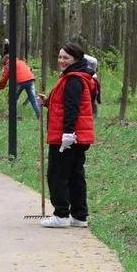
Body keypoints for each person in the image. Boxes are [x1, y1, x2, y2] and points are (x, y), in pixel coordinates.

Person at [39, 42, 96, 228]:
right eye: (60, 57)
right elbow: (64, 104)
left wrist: (68, 134)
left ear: (76, 60)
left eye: (66, 58)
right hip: (78, 135)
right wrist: (48, 102)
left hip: (68, 136)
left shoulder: (73, 79)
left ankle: (61, 214)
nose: (61, 61)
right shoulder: (76, 77)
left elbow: (72, 109)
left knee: (57, 174)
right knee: (75, 175)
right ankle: (79, 216)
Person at [0, 47, 40, 119]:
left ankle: (14, 116)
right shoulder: (21, 62)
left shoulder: (8, 64)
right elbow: (28, 70)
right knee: (33, 98)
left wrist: (0, 87)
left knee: (12, 99)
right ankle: (39, 116)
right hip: (30, 80)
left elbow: (4, 78)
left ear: (5, 61)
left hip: (19, 82)